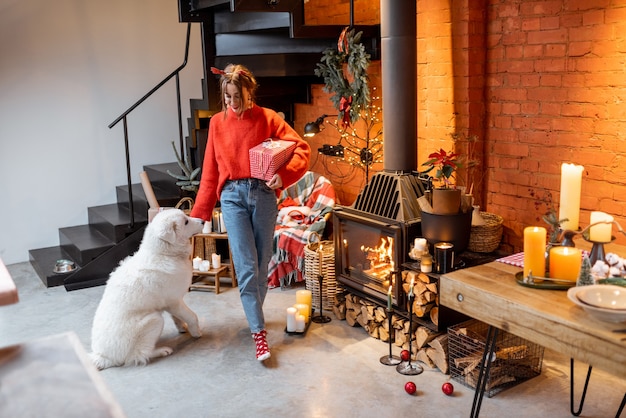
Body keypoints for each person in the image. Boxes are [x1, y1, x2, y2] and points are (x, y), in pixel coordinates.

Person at [190, 64, 310, 361]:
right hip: (231, 197)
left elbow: (301, 148)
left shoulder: (267, 118)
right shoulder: (217, 123)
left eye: (237, 96)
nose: (232, 102)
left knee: (261, 263)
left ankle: (253, 316)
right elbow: (210, 172)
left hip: (263, 195)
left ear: (249, 91)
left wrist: (284, 175)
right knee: (245, 265)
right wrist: (198, 215)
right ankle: (259, 333)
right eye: (227, 97)